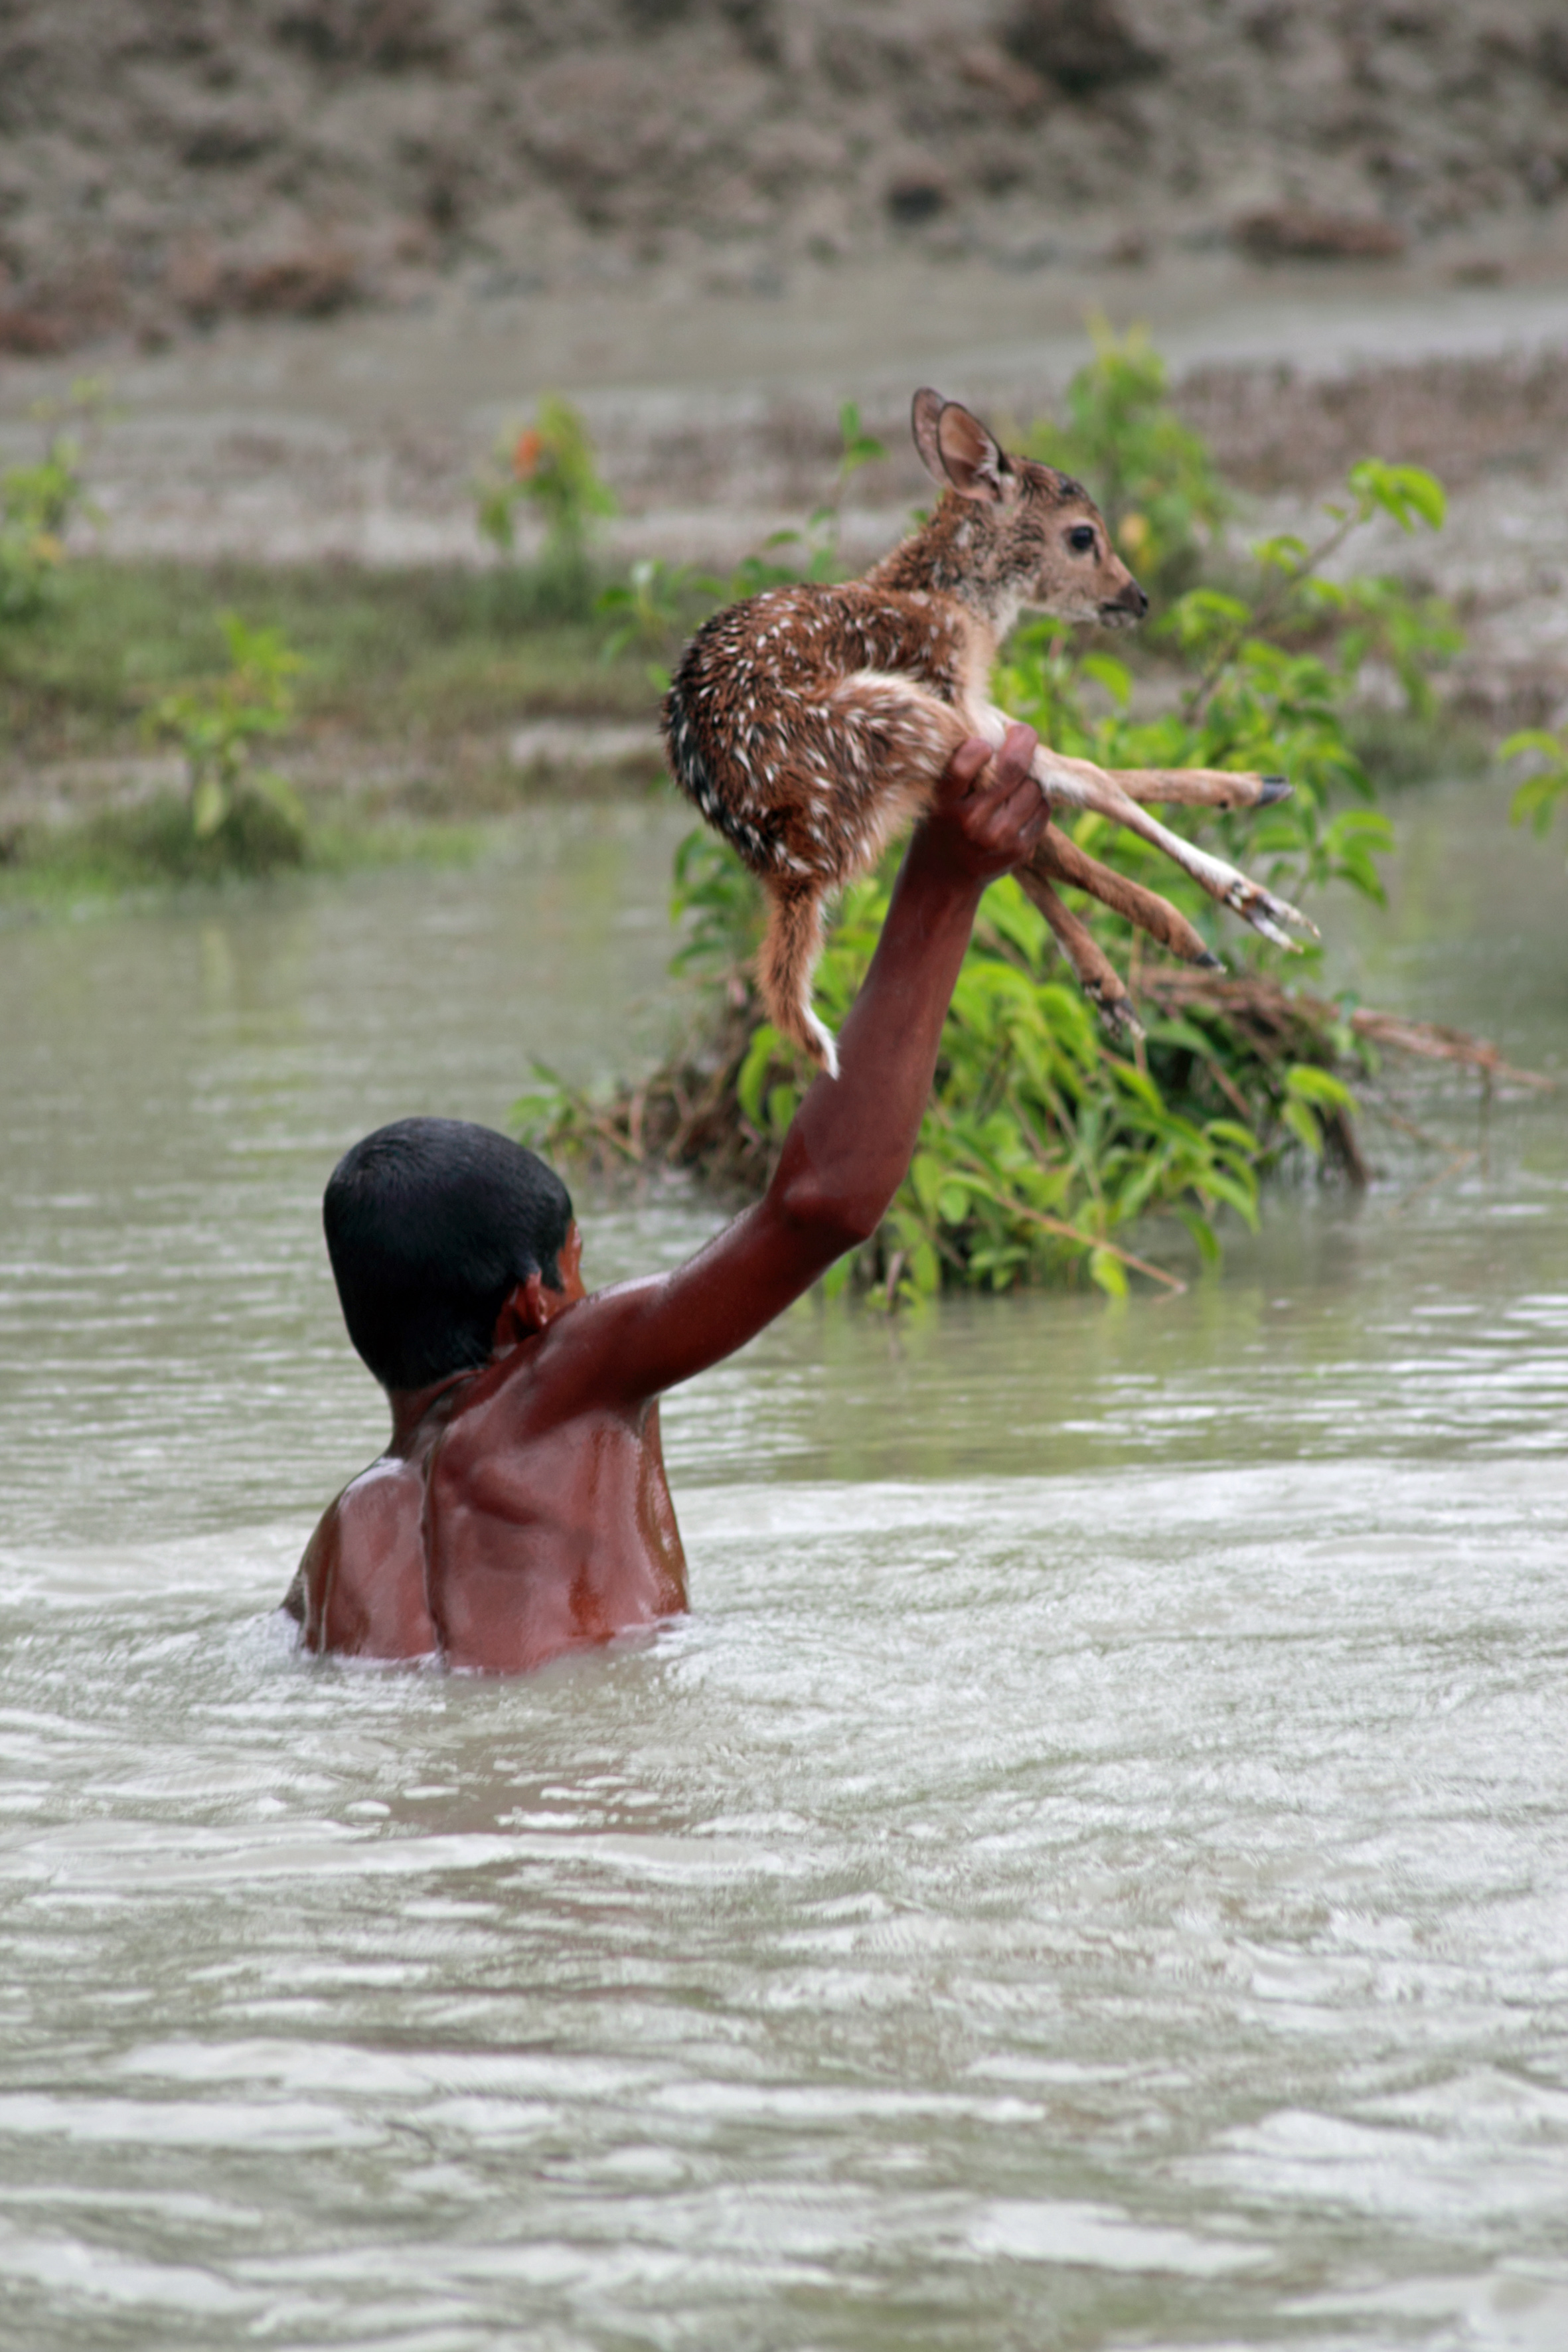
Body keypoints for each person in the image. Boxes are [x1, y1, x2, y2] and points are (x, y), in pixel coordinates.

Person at [287, 724, 1046, 1672]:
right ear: (531, 1308)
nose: (587, 1300)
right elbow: (824, 1205)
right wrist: (944, 877)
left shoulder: (336, 1549)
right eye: (576, 1273)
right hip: (589, 1792)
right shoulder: (561, 1380)